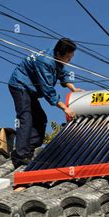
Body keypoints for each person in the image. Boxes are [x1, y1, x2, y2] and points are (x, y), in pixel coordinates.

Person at [8, 38, 82, 168]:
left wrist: (73, 89)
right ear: (60, 53)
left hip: (29, 89)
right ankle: (20, 156)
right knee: (25, 118)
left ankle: (29, 150)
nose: (69, 61)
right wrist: (65, 108)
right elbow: (48, 90)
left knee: (40, 119)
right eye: (68, 58)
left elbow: (62, 73)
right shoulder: (45, 62)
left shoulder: (55, 57)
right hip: (20, 86)